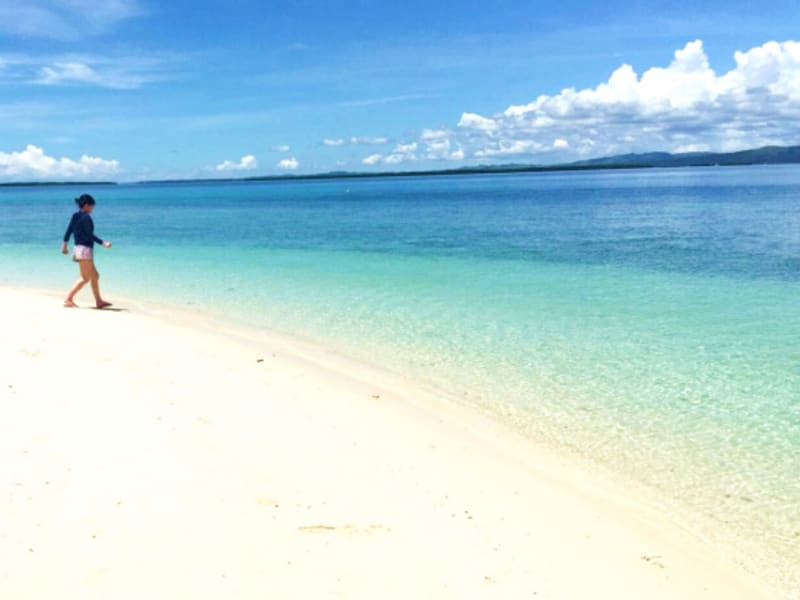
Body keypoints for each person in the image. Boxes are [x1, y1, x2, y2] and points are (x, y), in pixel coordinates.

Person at [62, 194, 113, 309]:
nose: (92, 209)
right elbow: (90, 235)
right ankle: (68, 299)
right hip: (84, 250)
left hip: (78, 249)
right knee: (85, 278)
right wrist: (103, 242)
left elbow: (69, 230)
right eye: (91, 206)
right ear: (86, 205)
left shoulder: (75, 215)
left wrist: (64, 244)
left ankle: (99, 301)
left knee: (95, 276)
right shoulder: (86, 217)